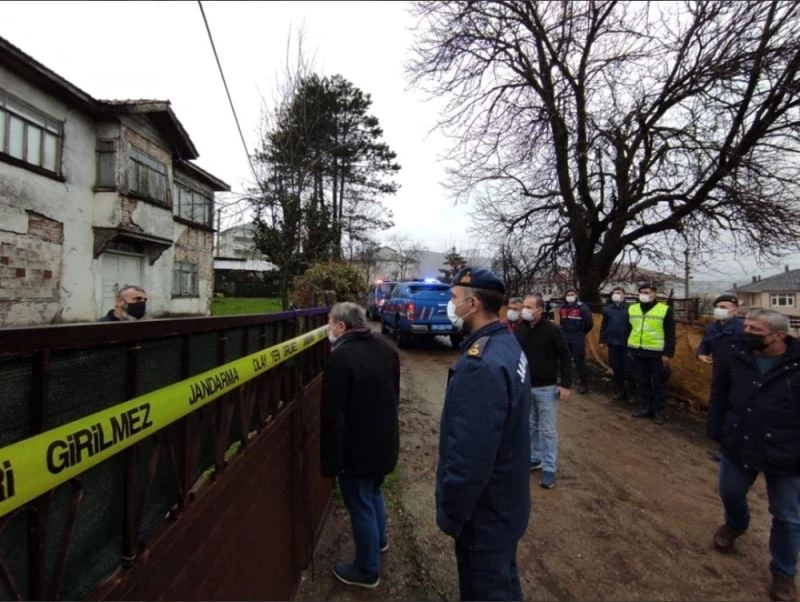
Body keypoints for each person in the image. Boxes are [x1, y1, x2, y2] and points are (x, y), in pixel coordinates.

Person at [437, 267, 531, 601]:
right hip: (507, 502)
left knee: (486, 588)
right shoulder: (507, 343)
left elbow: (470, 456)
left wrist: (452, 513)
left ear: (473, 304)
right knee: (503, 583)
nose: (450, 305)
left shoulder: (481, 364)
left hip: (485, 513)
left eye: (454, 299)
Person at [707, 308, 800, 602]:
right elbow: (720, 393)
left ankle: (784, 572)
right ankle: (735, 523)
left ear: (778, 335)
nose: (745, 333)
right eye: (745, 326)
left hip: (788, 452)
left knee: (787, 517)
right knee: (730, 491)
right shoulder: (736, 355)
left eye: (754, 330)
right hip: (739, 442)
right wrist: (716, 431)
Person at [320, 302, 400, 589]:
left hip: (357, 450)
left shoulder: (341, 358)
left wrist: (332, 460)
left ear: (341, 326)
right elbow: (395, 396)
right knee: (374, 491)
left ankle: (367, 570)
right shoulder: (386, 349)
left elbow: (333, 414)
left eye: (330, 324)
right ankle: (378, 542)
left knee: (361, 504)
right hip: (384, 444)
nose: (328, 329)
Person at [516, 293, 572, 489]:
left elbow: (565, 357)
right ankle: (534, 457)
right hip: (526, 386)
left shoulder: (552, 330)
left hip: (547, 388)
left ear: (540, 309)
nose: (525, 310)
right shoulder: (521, 329)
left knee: (547, 429)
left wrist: (565, 385)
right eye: (524, 306)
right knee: (531, 425)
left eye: (529, 307)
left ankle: (549, 467)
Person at [628, 282, 675, 425]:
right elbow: (629, 329)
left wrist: (667, 354)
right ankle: (646, 407)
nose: (644, 294)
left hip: (657, 354)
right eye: (641, 292)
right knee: (643, 382)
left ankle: (658, 410)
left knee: (659, 383)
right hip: (638, 352)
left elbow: (670, 334)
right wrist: (629, 349)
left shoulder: (664, 310)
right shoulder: (632, 308)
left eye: (647, 292)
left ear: (654, 293)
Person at [600, 287, 637, 403]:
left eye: (619, 293)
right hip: (612, 343)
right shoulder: (608, 309)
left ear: (624, 295)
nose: (616, 295)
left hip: (626, 343)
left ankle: (633, 393)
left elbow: (634, 326)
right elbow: (604, 325)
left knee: (628, 369)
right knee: (616, 368)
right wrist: (602, 340)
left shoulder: (630, 309)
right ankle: (621, 391)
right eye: (614, 293)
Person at [558, 287, 594, 394]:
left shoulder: (582, 307)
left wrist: (581, 333)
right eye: (568, 295)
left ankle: (584, 384)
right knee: (564, 360)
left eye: (572, 294)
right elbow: (562, 323)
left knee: (579, 361)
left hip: (577, 337)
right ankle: (565, 381)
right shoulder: (563, 308)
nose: (570, 297)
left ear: (576, 295)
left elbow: (589, 323)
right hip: (565, 337)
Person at [697, 293, 744, 364]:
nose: (718, 310)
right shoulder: (711, 328)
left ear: (735, 310)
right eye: (716, 307)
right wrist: (701, 353)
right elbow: (705, 343)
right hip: (718, 370)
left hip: (739, 371)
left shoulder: (743, 328)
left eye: (723, 307)